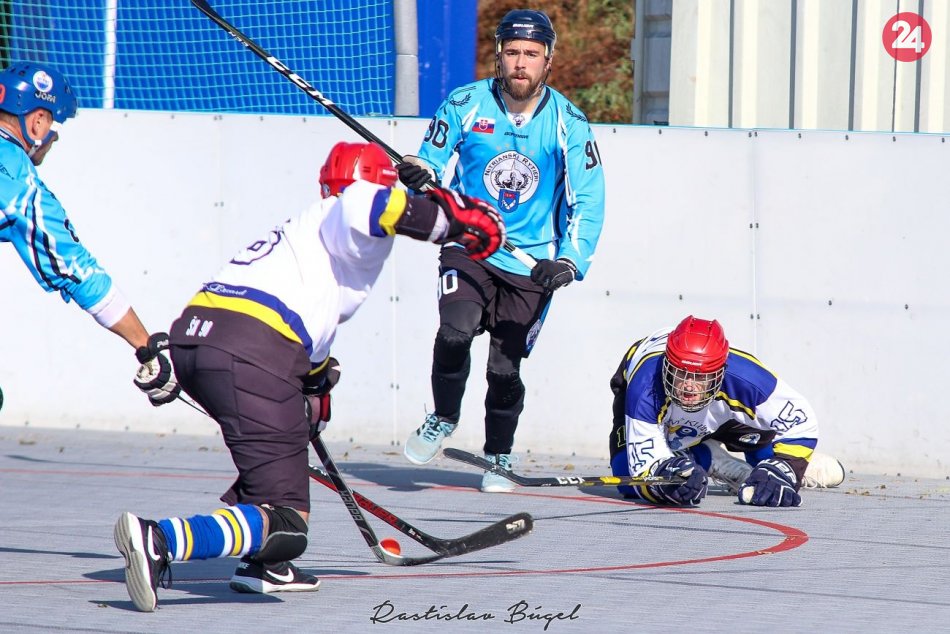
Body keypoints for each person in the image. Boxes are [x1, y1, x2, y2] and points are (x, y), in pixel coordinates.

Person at [112, 141, 505, 612]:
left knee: (273, 469)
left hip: (198, 340)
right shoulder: (353, 211)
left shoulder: (303, 232)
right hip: (252, 351)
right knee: (288, 521)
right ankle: (161, 539)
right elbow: (365, 201)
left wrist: (315, 386)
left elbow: (310, 331)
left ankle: (265, 565)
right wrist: (455, 220)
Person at [397, 9, 606, 493]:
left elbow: (589, 200)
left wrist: (569, 261)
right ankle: (443, 416)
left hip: (531, 264)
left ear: (548, 60)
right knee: (454, 333)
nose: (520, 62)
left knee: (504, 368)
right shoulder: (465, 103)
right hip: (469, 244)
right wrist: (416, 174)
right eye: (512, 52)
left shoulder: (569, 123)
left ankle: (498, 456)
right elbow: (429, 164)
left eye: (531, 54)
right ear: (498, 55)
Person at [0, 61, 179, 408]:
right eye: (55, 124)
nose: (55, 137)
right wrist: (145, 346)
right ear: (37, 121)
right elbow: (74, 267)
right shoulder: (19, 185)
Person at [608, 315, 846, 508]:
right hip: (661, 403)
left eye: (700, 376)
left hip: (720, 410)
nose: (689, 385)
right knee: (627, 477)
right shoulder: (646, 385)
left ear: (721, 371)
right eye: (681, 373)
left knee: (764, 454)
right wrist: (668, 476)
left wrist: (786, 466)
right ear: (667, 364)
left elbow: (801, 420)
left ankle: (787, 463)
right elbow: (644, 472)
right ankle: (707, 458)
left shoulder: (747, 380)